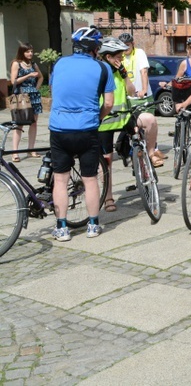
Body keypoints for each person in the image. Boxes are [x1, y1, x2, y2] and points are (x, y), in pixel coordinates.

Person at [49, 26, 115, 240]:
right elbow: (109, 103)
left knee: (60, 180)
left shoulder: (58, 64)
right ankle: (93, 225)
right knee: (90, 179)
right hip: (87, 128)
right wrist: (98, 118)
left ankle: (61, 228)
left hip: (60, 129)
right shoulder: (103, 68)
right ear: (95, 48)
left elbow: (55, 93)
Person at [97, 37, 161, 212]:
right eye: (119, 56)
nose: (122, 58)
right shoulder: (100, 71)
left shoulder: (120, 70)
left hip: (124, 116)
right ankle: (108, 197)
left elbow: (131, 91)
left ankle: (148, 155)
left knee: (149, 120)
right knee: (107, 160)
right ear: (108, 56)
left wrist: (124, 75)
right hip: (105, 121)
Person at [9, 42, 43, 161]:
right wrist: (28, 76)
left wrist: (36, 89)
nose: (30, 54)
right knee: (19, 123)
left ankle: (31, 150)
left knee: (33, 123)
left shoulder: (33, 64)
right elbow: (14, 81)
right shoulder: (16, 63)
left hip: (33, 96)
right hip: (21, 96)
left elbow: (41, 77)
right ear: (22, 52)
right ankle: (15, 152)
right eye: (28, 51)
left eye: (31, 51)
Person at [119, 33, 152, 102]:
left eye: (127, 45)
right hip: (128, 98)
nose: (125, 48)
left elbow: (144, 72)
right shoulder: (120, 56)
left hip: (142, 97)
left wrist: (144, 90)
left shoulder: (139, 52)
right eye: (123, 45)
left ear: (133, 44)